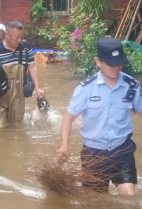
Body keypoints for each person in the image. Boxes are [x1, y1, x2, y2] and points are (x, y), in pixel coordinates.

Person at [57, 37, 142, 195]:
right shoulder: (85, 89)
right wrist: (64, 146)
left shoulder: (131, 86)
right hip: (93, 153)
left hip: (122, 149)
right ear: (98, 61)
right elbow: (68, 118)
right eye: (111, 63)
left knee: (129, 196)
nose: (116, 68)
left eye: (119, 63)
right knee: (95, 201)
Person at [0, 21, 45, 129]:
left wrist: (37, 87)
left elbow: (32, 67)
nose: (19, 40)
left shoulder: (25, 47)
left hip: (17, 95)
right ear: (7, 35)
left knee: (16, 127)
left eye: (21, 37)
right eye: (16, 37)